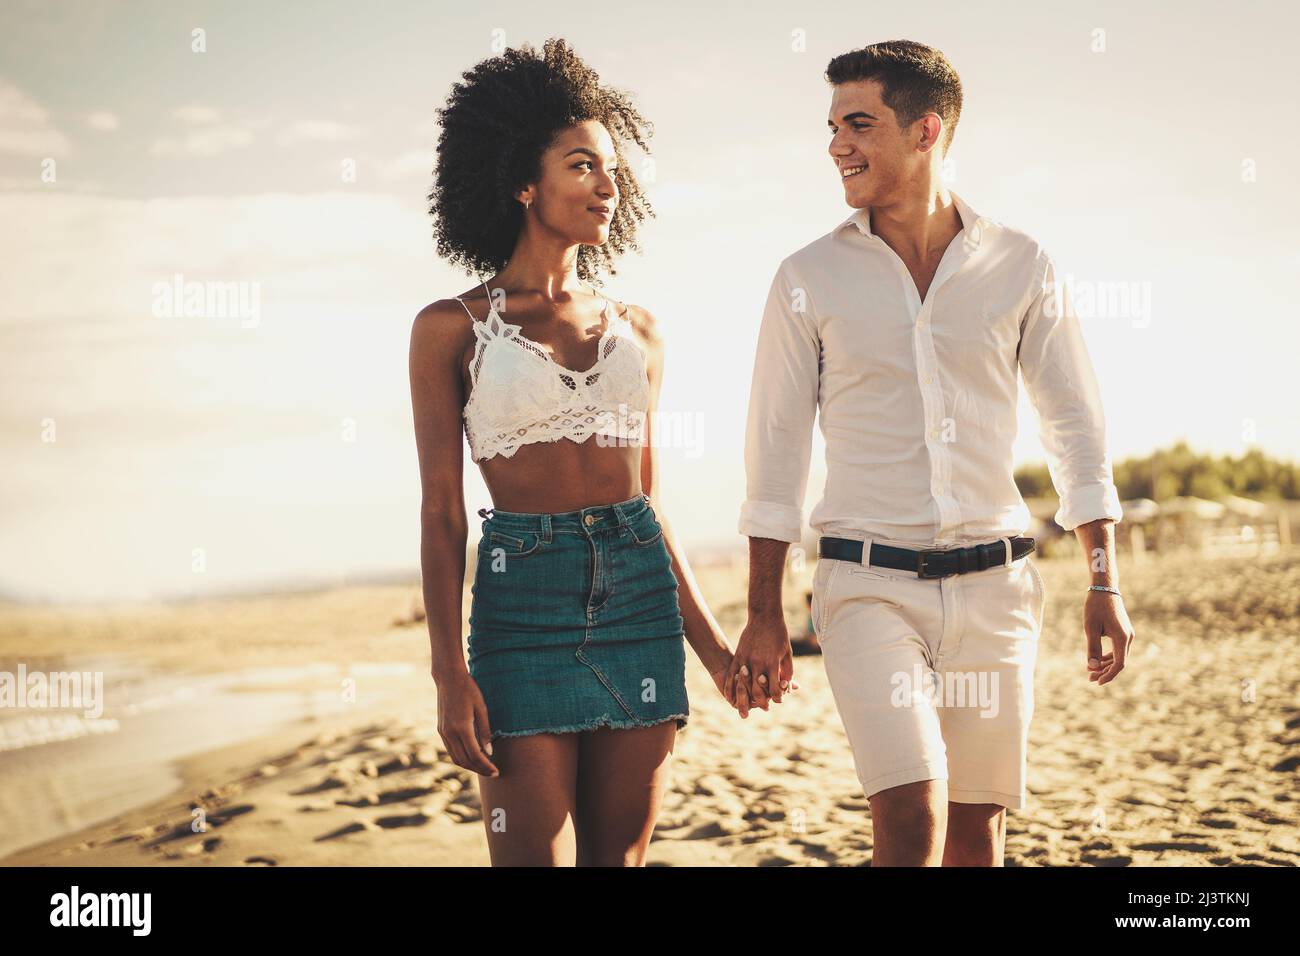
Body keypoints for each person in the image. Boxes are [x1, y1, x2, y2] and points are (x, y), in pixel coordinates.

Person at [728, 40, 1136, 866]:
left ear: (926, 130)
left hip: (997, 589)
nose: (837, 144)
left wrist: (1104, 579)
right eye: (833, 125)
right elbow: (775, 450)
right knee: (910, 818)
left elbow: (1075, 427)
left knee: (977, 833)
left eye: (858, 123)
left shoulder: (1022, 264)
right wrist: (764, 611)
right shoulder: (805, 277)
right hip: (866, 587)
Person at [410, 38, 744, 867]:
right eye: (583, 166)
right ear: (525, 182)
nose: (608, 183)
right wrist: (449, 673)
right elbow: (444, 511)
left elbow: (651, 505)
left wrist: (716, 652)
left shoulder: (642, 332)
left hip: (639, 599)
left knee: (618, 862)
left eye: (613, 170)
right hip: (521, 603)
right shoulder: (449, 328)